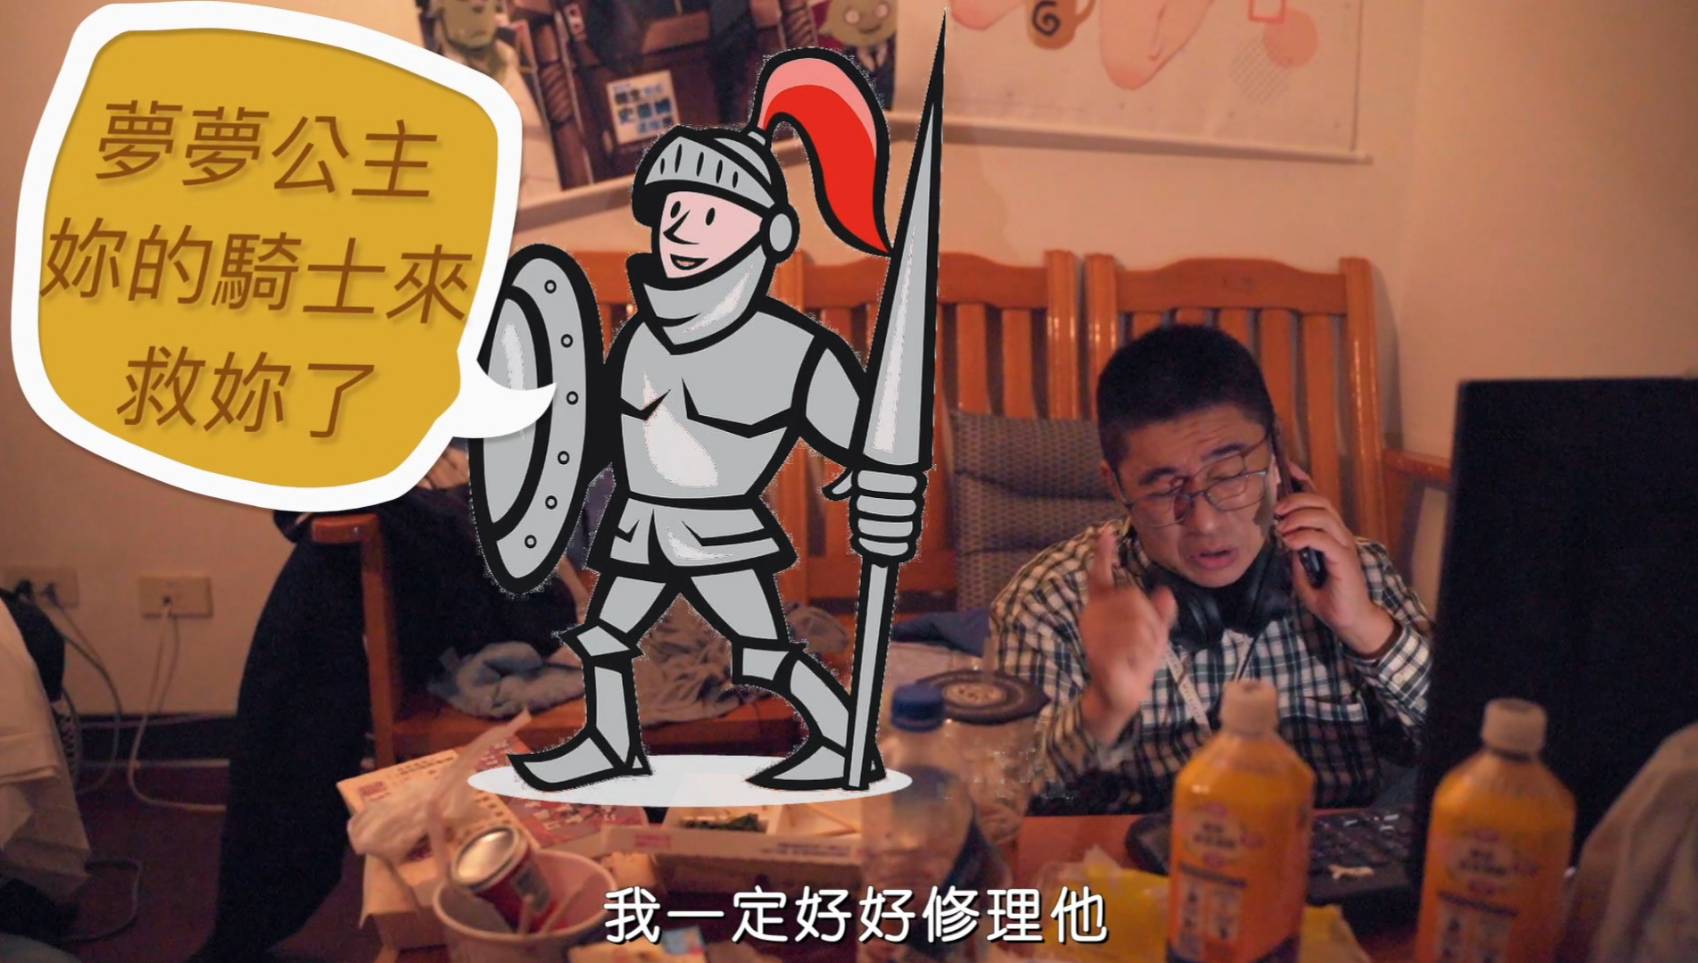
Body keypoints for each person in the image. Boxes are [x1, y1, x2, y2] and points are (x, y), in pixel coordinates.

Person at [508, 49, 925, 793]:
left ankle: (843, 743)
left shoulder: (791, 349)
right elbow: (602, 433)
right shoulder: (642, 335)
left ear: (770, 235)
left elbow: (866, 441)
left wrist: (883, 486)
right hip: (643, 517)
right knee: (608, 637)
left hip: (715, 528)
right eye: (673, 213)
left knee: (760, 651)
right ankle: (611, 741)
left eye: (707, 215)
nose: (683, 229)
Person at [989, 325, 1433, 814]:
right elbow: (1005, 798)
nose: (1205, 523)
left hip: (1327, 856)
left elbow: (1466, 751)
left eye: (1230, 475)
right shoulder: (1049, 601)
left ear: (1278, 456)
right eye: (1164, 490)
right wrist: (1101, 709)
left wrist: (1365, 628)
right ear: (1115, 486)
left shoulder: (1354, 571)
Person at [190, 446, 599, 962]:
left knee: (321, 586)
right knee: (329, 569)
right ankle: (263, 900)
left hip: (517, 566)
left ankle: (258, 905)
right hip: (464, 565)